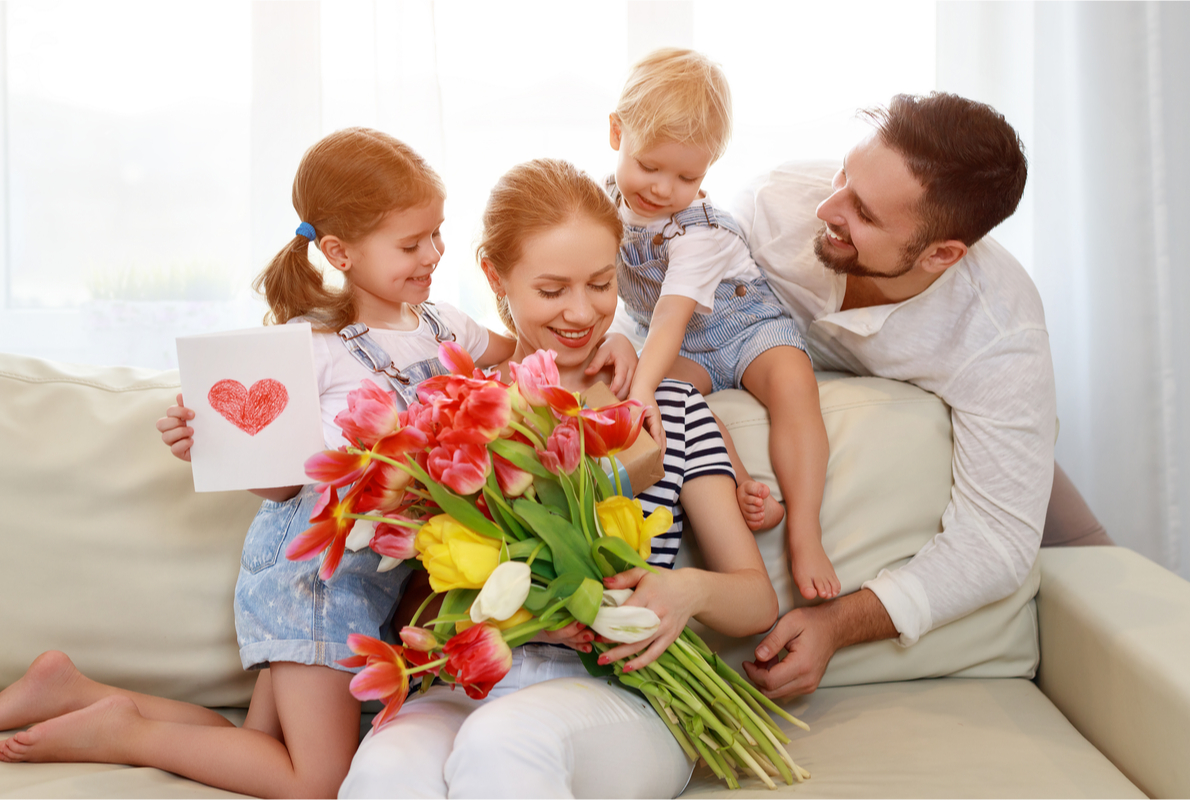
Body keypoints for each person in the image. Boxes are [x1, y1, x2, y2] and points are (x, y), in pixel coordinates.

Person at [0, 129, 633, 797]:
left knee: (260, 746)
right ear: (340, 252)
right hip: (314, 578)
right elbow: (280, 487)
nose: (433, 254)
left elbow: (530, 360)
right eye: (410, 244)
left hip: (372, 580)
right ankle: (123, 734)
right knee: (318, 780)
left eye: (436, 234)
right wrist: (208, 440)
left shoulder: (444, 325)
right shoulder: (311, 346)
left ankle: (71, 691)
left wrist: (615, 339)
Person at [337, 158, 778, 799]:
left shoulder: (669, 410)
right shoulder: (451, 415)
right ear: (496, 276)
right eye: (552, 290)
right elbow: (413, 603)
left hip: (621, 692)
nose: (582, 312)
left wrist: (684, 592)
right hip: (474, 679)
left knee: (506, 740)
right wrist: (512, 613)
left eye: (601, 284)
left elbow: (755, 601)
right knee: (386, 764)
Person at [732, 92, 1059, 698]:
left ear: (941, 255)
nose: (828, 208)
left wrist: (838, 623)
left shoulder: (1001, 331)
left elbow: (998, 541)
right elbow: (661, 317)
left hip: (998, 427)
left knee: (1076, 545)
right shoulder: (772, 210)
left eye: (864, 211)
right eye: (843, 176)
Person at [607, 48, 837, 601]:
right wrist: (627, 354)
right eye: (649, 165)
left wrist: (635, 393)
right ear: (616, 133)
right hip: (687, 345)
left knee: (791, 384)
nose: (664, 189)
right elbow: (600, 288)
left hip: (747, 326)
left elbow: (667, 317)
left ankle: (804, 529)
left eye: (688, 175)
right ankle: (743, 485)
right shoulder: (601, 206)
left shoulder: (699, 231)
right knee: (673, 399)